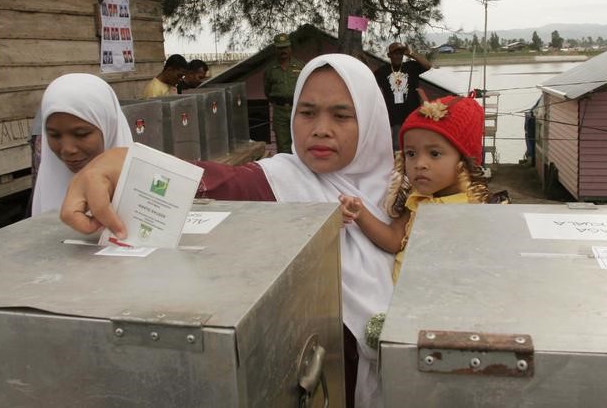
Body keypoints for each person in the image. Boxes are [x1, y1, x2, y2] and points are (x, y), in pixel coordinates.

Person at [60, 54, 394, 408]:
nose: (321, 129)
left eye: (341, 115)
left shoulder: (404, 193)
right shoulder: (281, 179)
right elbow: (217, 182)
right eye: (307, 112)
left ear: (371, 122)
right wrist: (124, 164)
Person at [340, 94, 496, 285]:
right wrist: (361, 213)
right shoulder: (416, 201)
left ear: (464, 160)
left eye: (434, 154)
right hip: (400, 301)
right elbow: (393, 240)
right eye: (411, 154)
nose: (419, 164)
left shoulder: (475, 210)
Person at [31, 73, 132, 216]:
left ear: (109, 127)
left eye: (81, 134)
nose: (67, 149)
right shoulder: (45, 188)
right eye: (54, 135)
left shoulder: (143, 190)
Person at [374, 42, 432, 150]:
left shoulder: (411, 67)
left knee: (415, 144)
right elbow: (372, 86)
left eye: (400, 53)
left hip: (412, 114)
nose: (398, 56)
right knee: (397, 146)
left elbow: (427, 65)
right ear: (389, 55)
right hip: (394, 118)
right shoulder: (382, 71)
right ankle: (399, 166)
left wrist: (411, 53)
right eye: (395, 54)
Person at [263, 33, 304, 153]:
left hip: (298, 109)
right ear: (275, 49)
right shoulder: (270, 69)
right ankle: (285, 171)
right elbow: (267, 91)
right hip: (279, 111)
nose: (283, 50)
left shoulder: (300, 66)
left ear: (290, 48)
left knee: (300, 141)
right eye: (280, 48)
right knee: (283, 145)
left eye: (285, 47)